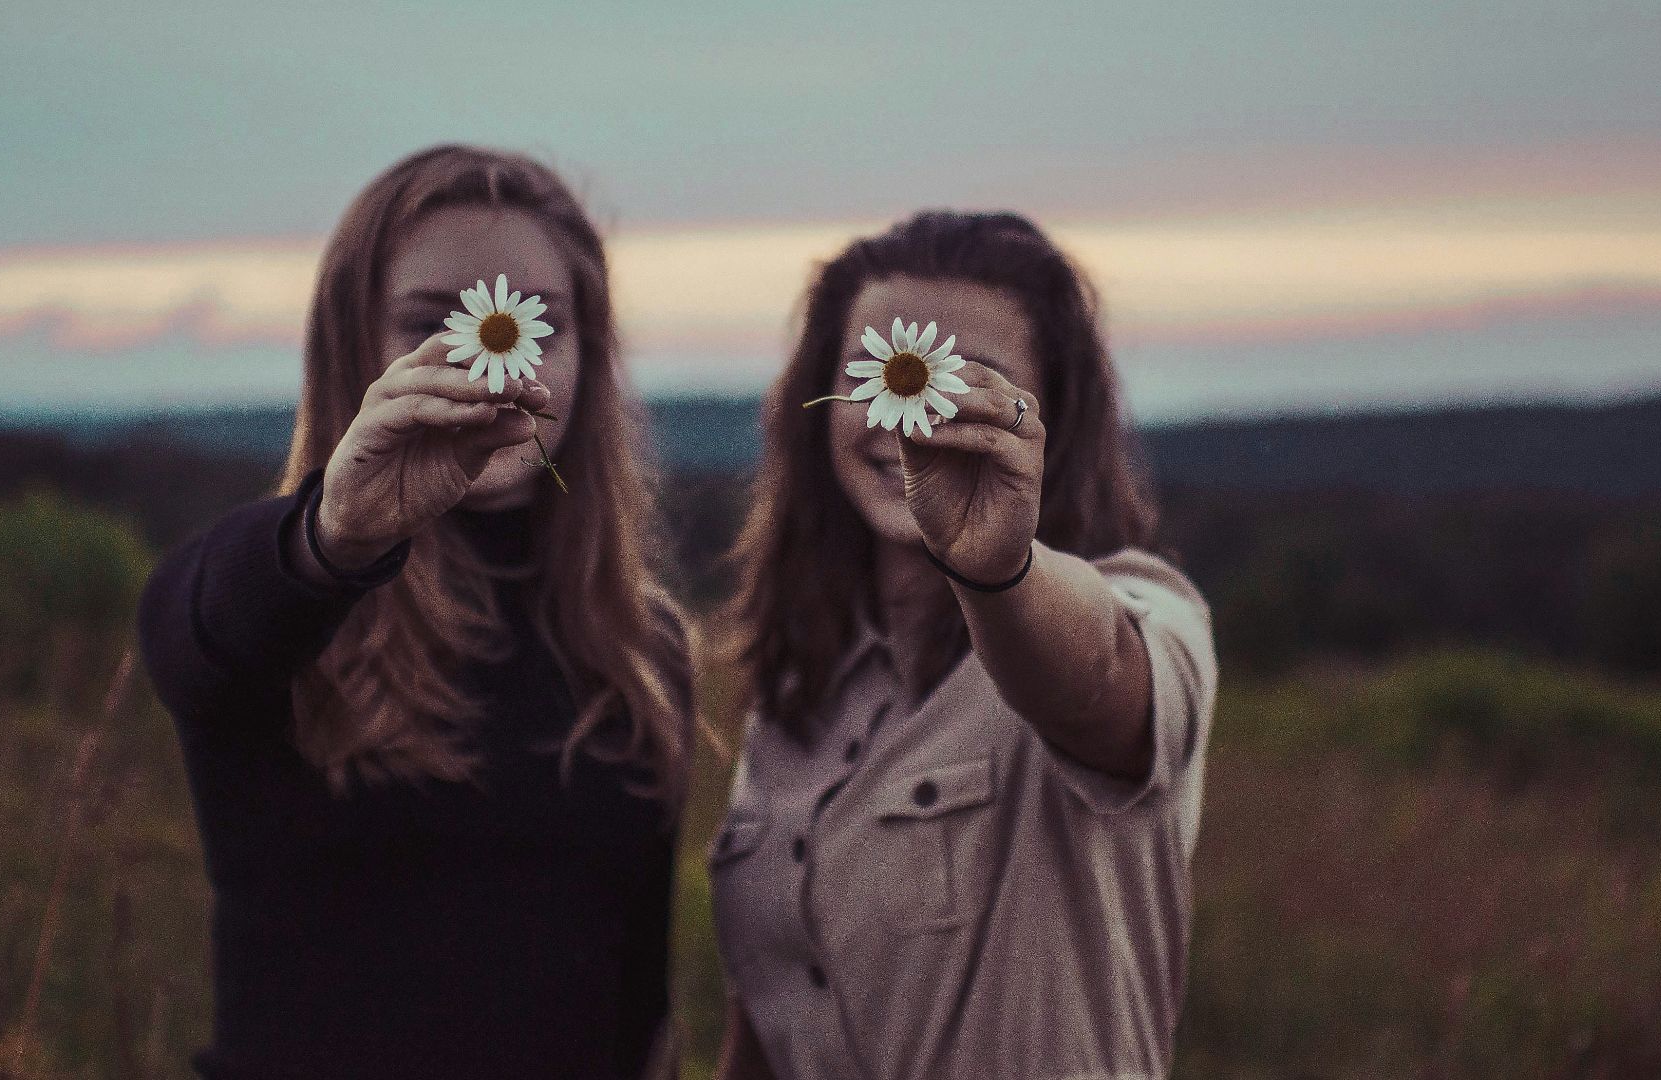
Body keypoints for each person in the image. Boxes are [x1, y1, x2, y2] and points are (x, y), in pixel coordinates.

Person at [136, 145, 690, 1080]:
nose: (485, 355)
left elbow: (643, 1005)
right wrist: (333, 538)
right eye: (432, 323)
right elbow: (189, 633)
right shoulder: (288, 592)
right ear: (351, 345)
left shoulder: (641, 648)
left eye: (536, 323)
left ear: (592, 359)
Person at [711, 211, 1217, 1080]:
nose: (914, 415)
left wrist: (1000, 570)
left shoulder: (1143, 612)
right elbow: (778, 1012)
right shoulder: (801, 687)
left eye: (971, 381)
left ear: (1053, 415)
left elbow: (1098, 682)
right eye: (883, 371)